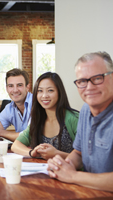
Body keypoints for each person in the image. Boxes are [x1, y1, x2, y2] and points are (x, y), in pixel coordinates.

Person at [48, 51, 113, 192]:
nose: (89, 87)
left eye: (97, 78)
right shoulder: (85, 110)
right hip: (89, 192)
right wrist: (63, 165)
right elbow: (78, 153)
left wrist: (72, 176)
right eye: (82, 81)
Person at [11, 72, 79, 160]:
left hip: (71, 172)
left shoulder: (74, 119)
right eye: (40, 91)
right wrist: (32, 153)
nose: (44, 96)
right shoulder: (38, 119)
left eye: (50, 90)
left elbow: (85, 158)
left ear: (59, 92)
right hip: (44, 171)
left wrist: (56, 154)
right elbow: (15, 145)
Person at [0, 68, 33, 150]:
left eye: (19, 85)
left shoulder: (36, 104)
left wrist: (1, 133)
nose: (15, 90)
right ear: (7, 88)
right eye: (11, 86)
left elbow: (30, 137)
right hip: (23, 152)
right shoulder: (10, 108)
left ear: (27, 87)